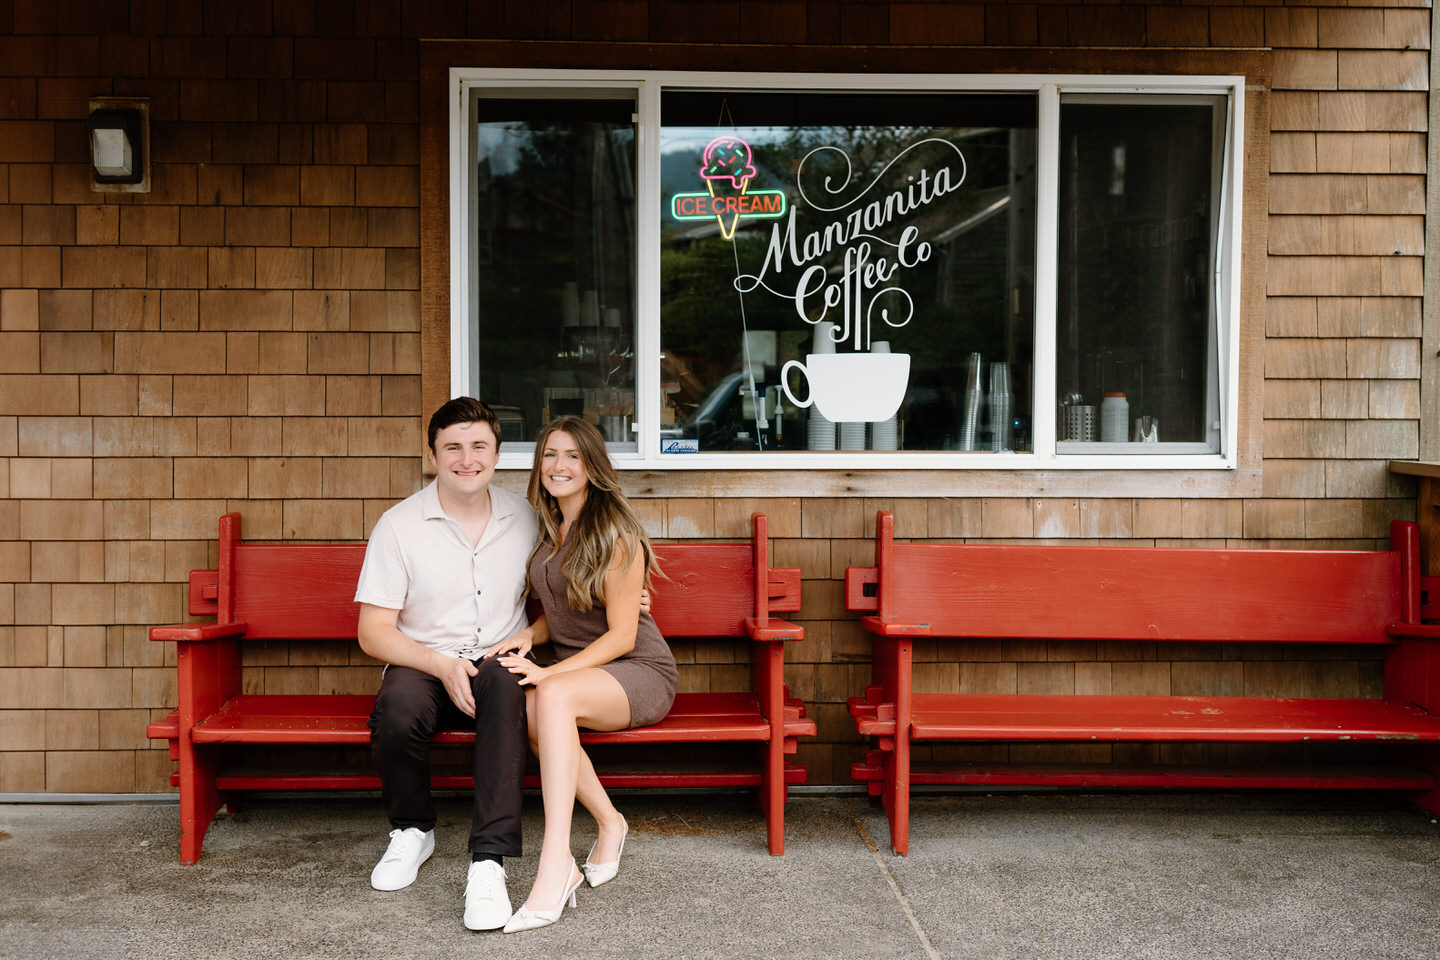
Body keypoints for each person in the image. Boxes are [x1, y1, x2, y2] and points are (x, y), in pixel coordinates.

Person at [354, 397, 535, 931]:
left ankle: (489, 862)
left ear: (498, 454)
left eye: (479, 445)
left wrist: (626, 594)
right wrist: (439, 664)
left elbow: (572, 590)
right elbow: (373, 632)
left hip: (499, 656)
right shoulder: (400, 525)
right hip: (425, 660)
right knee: (398, 708)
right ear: (432, 455)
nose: (466, 458)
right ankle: (412, 830)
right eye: (452, 447)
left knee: (506, 689)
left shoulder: (525, 517)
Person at [491, 416, 677, 933]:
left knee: (546, 695)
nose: (559, 465)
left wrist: (547, 675)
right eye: (550, 454)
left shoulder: (615, 532)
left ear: (593, 465)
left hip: (637, 670)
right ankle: (609, 821)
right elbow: (567, 608)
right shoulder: (554, 528)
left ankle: (556, 864)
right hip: (584, 670)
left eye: (573, 455)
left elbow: (620, 635)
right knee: (532, 709)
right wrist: (531, 635)